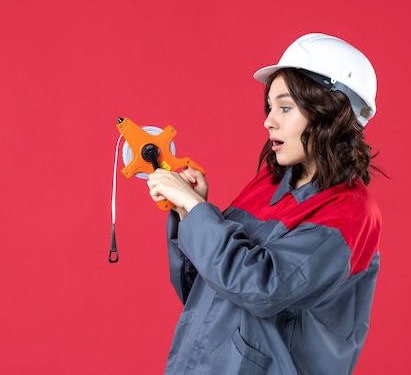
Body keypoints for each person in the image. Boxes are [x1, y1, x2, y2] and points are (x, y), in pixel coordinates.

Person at [146, 33, 382, 375]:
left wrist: (199, 213)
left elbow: (262, 288)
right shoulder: (269, 184)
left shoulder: (350, 214)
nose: (269, 120)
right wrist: (188, 211)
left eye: (285, 107)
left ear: (330, 112)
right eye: (270, 107)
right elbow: (207, 288)